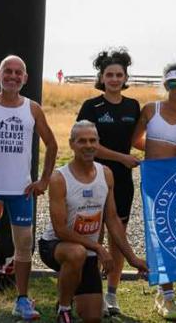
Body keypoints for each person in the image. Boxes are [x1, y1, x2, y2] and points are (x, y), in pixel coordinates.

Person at [0, 55, 59, 320]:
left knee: (24, 244)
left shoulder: (32, 108)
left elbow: (52, 145)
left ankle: (22, 299)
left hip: (21, 191)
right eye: (8, 71)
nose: (13, 76)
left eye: (18, 72)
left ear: (25, 78)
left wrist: (44, 180)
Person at [39, 120, 148, 323]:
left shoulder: (106, 174)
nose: (88, 145)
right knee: (76, 253)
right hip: (56, 246)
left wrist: (133, 259)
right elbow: (60, 230)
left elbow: (112, 219)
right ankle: (64, 309)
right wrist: (98, 247)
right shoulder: (59, 178)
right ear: (71, 144)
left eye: (92, 140)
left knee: (93, 317)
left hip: (87, 251)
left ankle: (70, 290)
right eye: (82, 141)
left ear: (98, 143)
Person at [131, 63, 176, 320]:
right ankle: (168, 295)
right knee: (159, 234)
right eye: (173, 84)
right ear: (166, 85)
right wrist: (156, 152)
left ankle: (165, 291)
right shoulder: (151, 110)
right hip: (154, 180)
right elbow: (135, 140)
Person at [75, 49, 140, 316]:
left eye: (119, 75)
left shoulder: (133, 106)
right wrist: (121, 157)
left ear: (125, 78)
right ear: (101, 77)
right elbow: (86, 145)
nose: (114, 79)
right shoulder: (91, 107)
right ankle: (91, 292)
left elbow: (137, 141)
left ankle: (112, 294)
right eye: (109, 74)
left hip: (122, 182)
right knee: (92, 237)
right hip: (93, 178)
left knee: (118, 238)